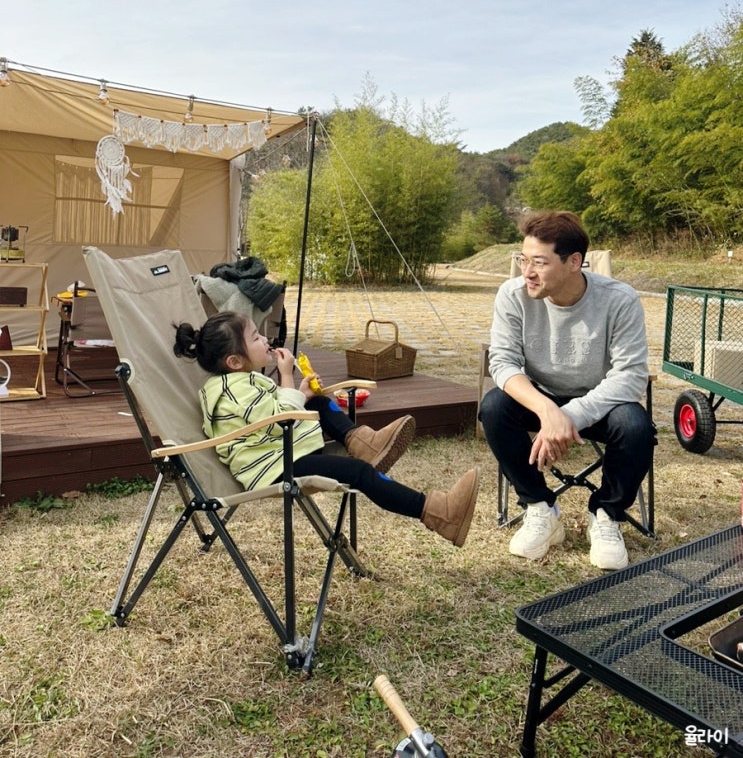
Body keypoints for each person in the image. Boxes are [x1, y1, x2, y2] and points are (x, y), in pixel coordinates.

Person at [173, 311, 480, 547]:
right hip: (275, 467)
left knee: (317, 402)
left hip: (283, 451)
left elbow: (274, 414)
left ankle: (364, 443)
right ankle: (439, 513)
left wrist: (301, 394)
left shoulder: (238, 382)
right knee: (359, 473)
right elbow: (281, 421)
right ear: (234, 361)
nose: (265, 340)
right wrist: (287, 377)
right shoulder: (233, 389)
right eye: (255, 338)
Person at [479, 210, 654, 569]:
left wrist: (568, 415)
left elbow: (630, 376)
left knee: (636, 426)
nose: (527, 272)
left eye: (539, 263)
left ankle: (606, 515)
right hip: (541, 397)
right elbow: (503, 364)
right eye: (523, 260)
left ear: (574, 262)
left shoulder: (619, 299)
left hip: (600, 402)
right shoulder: (513, 294)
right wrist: (547, 411)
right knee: (494, 407)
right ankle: (540, 507)